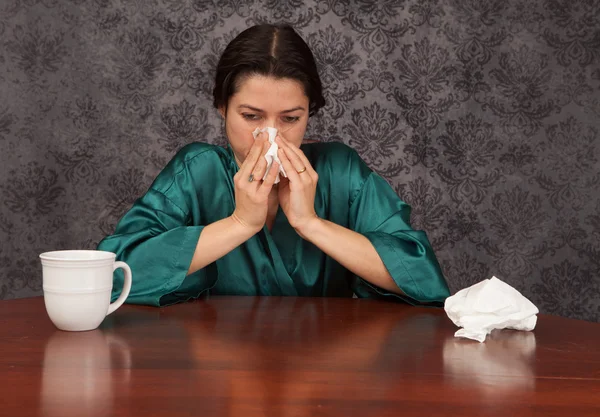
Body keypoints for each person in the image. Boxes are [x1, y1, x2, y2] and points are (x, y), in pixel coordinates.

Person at [97, 23, 450, 307]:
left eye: (290, 118)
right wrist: (239, 223)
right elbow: (112, 275)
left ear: (309, 113)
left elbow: (422, 279)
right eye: (251, 116)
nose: (269, 135)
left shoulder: (341, 171)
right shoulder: (196, 171)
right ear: (222, 107)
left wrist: (310, 223)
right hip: (220, 372)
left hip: (322, 371)